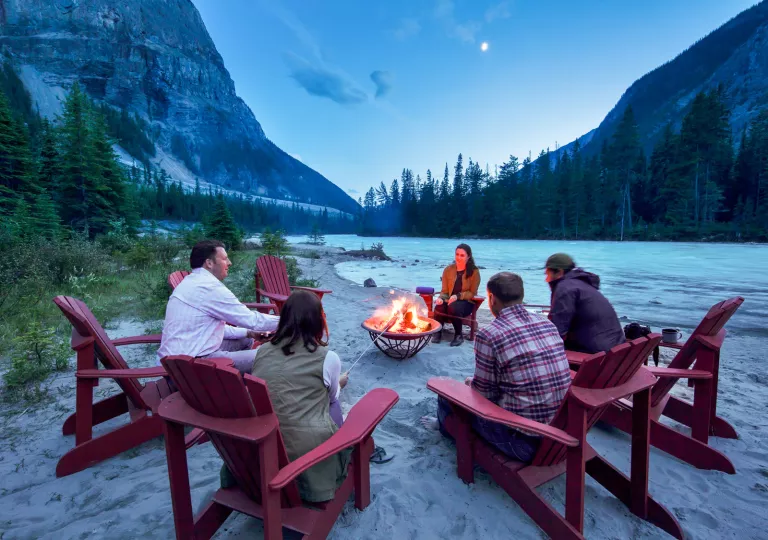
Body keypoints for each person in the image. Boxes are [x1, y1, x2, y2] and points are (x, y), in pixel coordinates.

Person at [422, 272, 571, 463]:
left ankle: (444, 428)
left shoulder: (489, 334)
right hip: (559, 432)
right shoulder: (546, 323)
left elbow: (483, 397)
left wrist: (469, 385)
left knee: (446, 392)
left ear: (491, 298)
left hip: (521, 442)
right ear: (521, 296)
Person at [250, 289, 350, 502]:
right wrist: (339, 382)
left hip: (263, 448)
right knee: (334, 406)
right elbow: (332, 398)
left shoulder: (262, 351)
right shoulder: (328, 358)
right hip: (305, 457)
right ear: (317, 321)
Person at [157, 239, 279, 374]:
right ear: (209, 263)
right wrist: (292, 320)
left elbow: (210, 328)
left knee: (245, 339)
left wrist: (249, 332)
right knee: (271, 357)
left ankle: (234, 383)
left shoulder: (192, 282)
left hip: (177, 360)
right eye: (225, 259)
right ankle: (228, 386)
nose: (229, 263)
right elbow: (252, 321)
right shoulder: (208, 287)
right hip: (190, 367)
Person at [544, 253, 625, 354]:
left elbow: (557, 330)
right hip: (615, 348)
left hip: (596, 355)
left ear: (559, 272)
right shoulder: (582, 284)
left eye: (547, 274)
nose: (546, 279)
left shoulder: (565, 287)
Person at [432, 243, 481, 347]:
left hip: (466, 302)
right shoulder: (448, 270)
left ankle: (459, 335)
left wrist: (457, 296)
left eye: (462, 255)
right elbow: (445, 291)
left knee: (453, 307)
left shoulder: (474, 272)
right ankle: (438, 333)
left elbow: (472, 292)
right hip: (449, 300)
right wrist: (441, 298)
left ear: (468, 256)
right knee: (439, 307)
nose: (458, 257)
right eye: (457, 254)